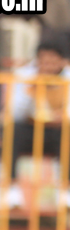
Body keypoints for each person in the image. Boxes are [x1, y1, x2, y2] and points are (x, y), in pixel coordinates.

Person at [5, 34, 70, 210]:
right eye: (44, 60)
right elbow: (15, 112)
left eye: (52, 60)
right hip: (29, 128)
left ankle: (65, 192)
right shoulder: (24, 75)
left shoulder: (68, 78)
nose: (48, 65)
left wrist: (62, 116)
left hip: (58, 130)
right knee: (11, 131)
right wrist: (32, 88)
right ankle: (12, 191)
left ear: (61, 61)